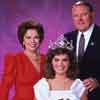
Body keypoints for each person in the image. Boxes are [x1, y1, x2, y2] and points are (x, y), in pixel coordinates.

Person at [0, 19, 46, 100]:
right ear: (23, 40)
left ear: (40, 39)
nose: (33, 41)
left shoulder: (47, 59)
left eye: (36, 37)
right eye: (28, 37)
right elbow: (5, 88)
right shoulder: (14, 59)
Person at [64, 0, 100, 100]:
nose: (79, 19)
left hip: (95, 95)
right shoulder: (67, 38)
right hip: (71, 95)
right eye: (76, 16)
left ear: (92, 15)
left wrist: (99, 81)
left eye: (84, 14)